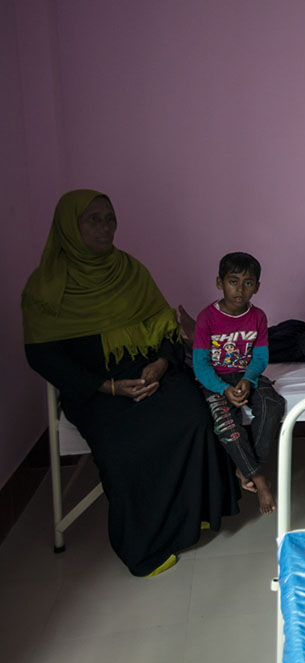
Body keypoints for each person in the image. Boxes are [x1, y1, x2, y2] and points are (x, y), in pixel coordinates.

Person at [22, 190, 241, 577]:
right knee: (125, 446)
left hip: (147, 372)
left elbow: (164, 325)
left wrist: (159, 363)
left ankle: (197, 515)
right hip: (94, 388)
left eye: (110, 218)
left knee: (194, 413)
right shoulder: (46, 287)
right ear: (69, 227)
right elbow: (43, 356)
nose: (105, 227)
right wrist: (108, 387)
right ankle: (146, 546)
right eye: (94, 220)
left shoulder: (129, 271)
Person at [192, 252, 285, 514]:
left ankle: (246, 467)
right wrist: (223, 388)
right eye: (233, 281)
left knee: (272, 405)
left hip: (247, 375)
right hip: (216, 380)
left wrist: (247, 378)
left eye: (248, 283)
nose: (240, 289)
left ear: (257, 287)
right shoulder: (206, 318)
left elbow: (260, 356)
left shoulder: (258, 317)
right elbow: (200, 365)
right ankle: (258, 477)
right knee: (226, 425)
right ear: (219, 282)